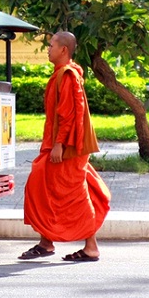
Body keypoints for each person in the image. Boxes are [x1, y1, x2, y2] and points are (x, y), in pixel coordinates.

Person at [18, 31, 111, 262]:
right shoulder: (61, 74)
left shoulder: (68, 76)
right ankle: (46, 242)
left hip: (66, 147)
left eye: (51, 45)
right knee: (41, 188)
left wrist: (59, 145)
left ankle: (91, 247)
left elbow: (68, 114)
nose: (47, 49)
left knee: (75, 195)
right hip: (57, 145)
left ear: (63, 50)